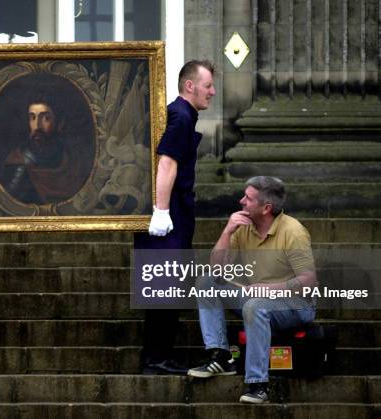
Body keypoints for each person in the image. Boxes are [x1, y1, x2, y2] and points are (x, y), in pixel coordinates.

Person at [188, 176, 317, 403]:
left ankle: (258, 385)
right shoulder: (243, 228)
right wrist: (227, 231)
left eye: (247, 198)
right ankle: (221, 356)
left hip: (297, 306)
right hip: (255, 299)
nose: (241, 201)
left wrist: (270, 290)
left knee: (255, 306)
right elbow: (217, 271)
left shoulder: (293, 231)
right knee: (207, 282)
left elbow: (307, 281)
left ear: (266, 208)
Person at [136, 60, 216, 374]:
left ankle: (157, 356)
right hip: (169, 217)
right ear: (189, 86)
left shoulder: (181, 114)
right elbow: (167, 164)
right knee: (164, 287)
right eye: (207, 85)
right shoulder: (181, 116)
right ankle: (156, 359)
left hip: (173, 213)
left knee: (165, 286)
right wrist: (161, 211)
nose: (212, 92)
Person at [0, 95, 90, 205]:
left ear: (60, 123)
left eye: (46, 118)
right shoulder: (18, 164)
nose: (37, 126)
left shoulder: (75, 163)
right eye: (32, 118)